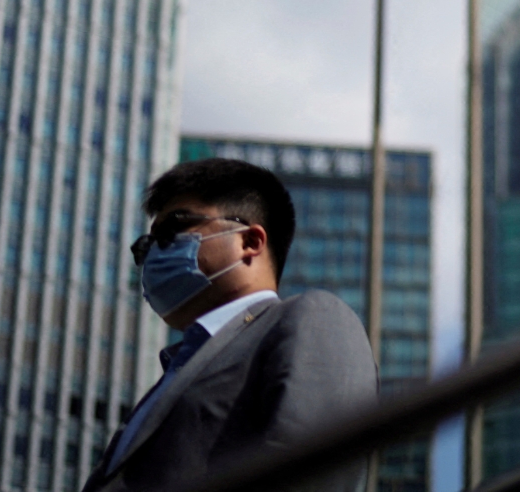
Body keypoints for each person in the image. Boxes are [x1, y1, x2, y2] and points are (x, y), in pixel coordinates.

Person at [83, 158, 376, 492]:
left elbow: (316, 471)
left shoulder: (314, 318)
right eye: (145, 246)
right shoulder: (175, 372)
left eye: (172, 230)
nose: (153, 254)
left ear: (250, 241)